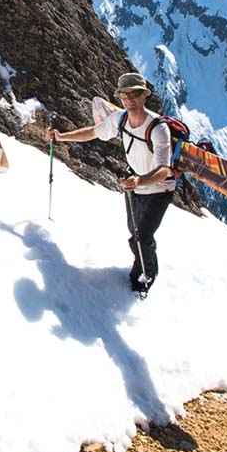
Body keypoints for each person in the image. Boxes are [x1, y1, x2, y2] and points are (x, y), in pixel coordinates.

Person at [47, 72, 175, 295]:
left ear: (144, 95)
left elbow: (164, 171)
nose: (129, 98)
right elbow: (93, 132)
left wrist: (140, 181)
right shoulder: (121, 119)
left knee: (142, 236)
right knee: (134, 233)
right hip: (134, 186)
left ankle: (143, 278)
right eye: (125, 94)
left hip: (159, 190)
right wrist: (61, 137)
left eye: (134, 93)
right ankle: (143, 265)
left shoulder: (158, 128)